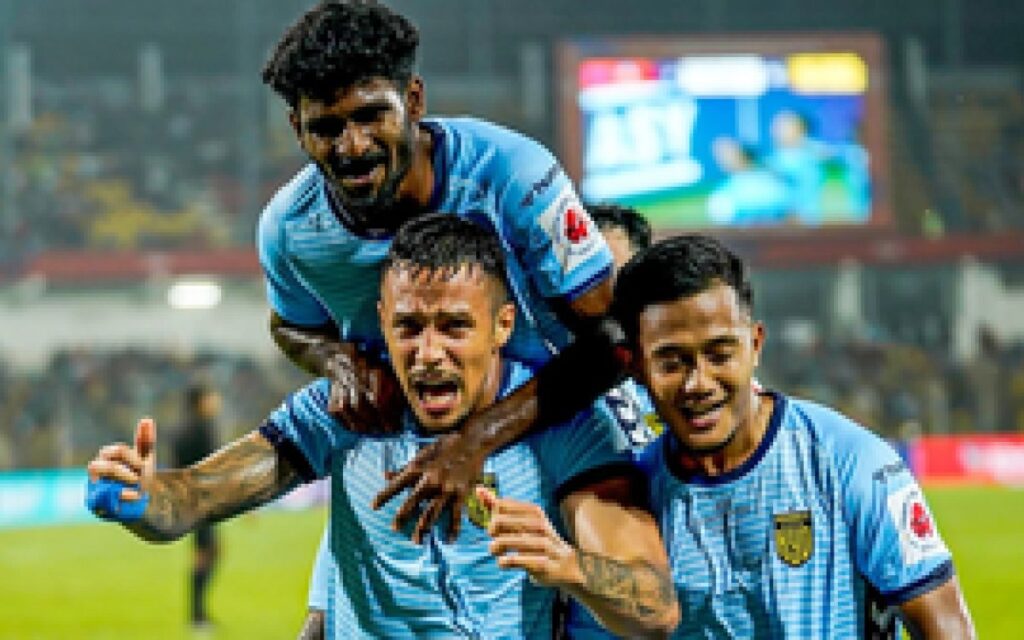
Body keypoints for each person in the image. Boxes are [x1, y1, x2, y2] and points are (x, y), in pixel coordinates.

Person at [86, 215, 679, 639]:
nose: (428, 354)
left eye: (454, 327)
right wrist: (145, 497)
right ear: (381, 321)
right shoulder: (347, 409)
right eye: (409, 327)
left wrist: (569, 565)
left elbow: (655, 607)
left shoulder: (566, 425)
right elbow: (193, 499)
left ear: (503, 325)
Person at [596, 234, 973, 637]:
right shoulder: (633, 498)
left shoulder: (849, 461)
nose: (698, 383)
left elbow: (945, 624)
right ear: (634, 366)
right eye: (672, 363)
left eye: (720, 355)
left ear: (755, 345)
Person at [172, 381, 223, 630]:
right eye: (211, 396)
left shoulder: (180, 428)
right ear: (201, 401)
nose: (215, 401)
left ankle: (199, 614)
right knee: (206, 555)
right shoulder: (202, 428)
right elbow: (215, 466)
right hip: (202, 501)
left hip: (188, 498)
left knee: (209, 552)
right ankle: (198, 617)